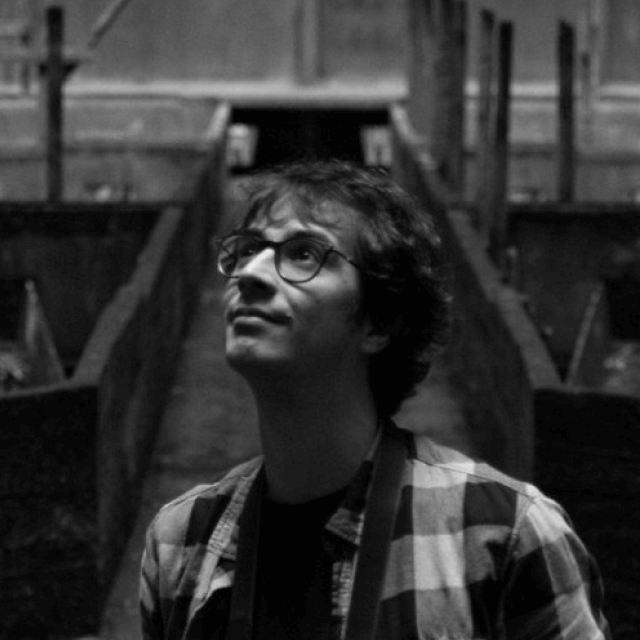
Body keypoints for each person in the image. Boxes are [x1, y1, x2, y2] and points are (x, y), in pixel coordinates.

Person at [140, 159, 610, 640]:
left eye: (304, 254)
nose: (249, 274)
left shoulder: (503, 533)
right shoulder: (180, 541)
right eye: (247, 250)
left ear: (380, 323)